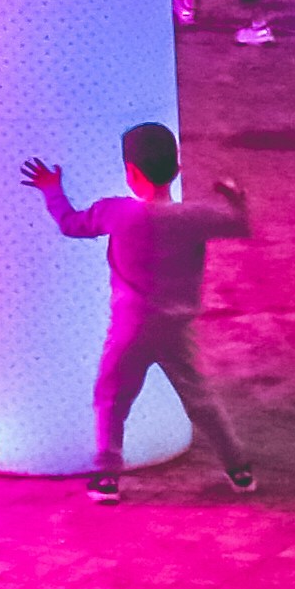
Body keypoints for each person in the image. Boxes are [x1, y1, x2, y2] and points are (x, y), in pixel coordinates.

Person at [27, 117, 256, 492]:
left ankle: (107, 475)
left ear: (130, 172)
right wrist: (234, 195)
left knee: (112, 395)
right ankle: (239, 468)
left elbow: (70, 223)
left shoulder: (116, 212)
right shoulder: (193, 217)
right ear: (177, 169)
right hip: (175, 327)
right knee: (199, 398)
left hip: (130, 325)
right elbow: (239, 224)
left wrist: (52, 189)